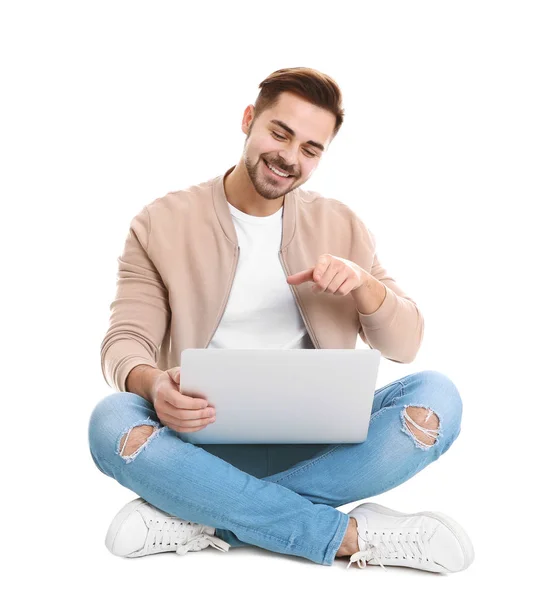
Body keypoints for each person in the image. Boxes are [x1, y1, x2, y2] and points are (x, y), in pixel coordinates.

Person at [88, 66, 474, 572]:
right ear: (249, 120)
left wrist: (365, 286)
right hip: (199, 443)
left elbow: (407, 345)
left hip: (319, 445)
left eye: (311, 149)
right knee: (110, 421)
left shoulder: (342, 225)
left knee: (437, 398)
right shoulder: (160, 223)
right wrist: (154, 383)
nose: (289, 157)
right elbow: (125, 340)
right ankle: (347, 536)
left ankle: (202, 515)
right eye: (280, 133)